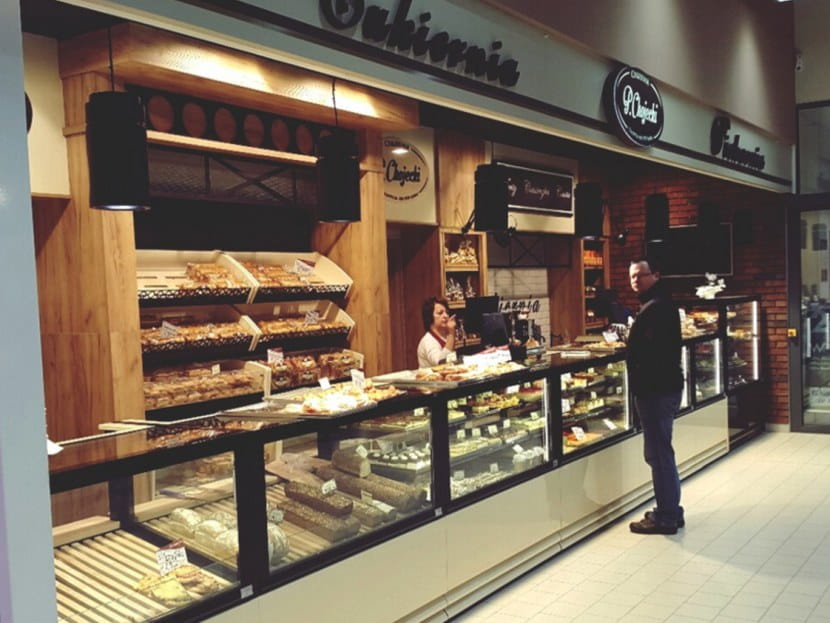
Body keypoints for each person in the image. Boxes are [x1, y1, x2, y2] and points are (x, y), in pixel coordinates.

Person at [627, 258, 685, 535]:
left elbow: (649, 352)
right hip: (663, 388)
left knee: (659, 455)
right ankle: (671, 509)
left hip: (656, 390)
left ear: (656, 275)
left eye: (640, 275)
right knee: (662, 452)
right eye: (632, 277)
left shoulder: (656, 308)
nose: (635, 281)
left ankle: (666, 517)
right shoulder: (660, 303)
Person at [417, 296, 456, 368]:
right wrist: (451, 334)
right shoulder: (428, 341)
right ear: (430, 317)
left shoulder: (445, 337)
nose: (446, 316)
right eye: (440, 313)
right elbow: (441, 363)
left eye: (447, 312)